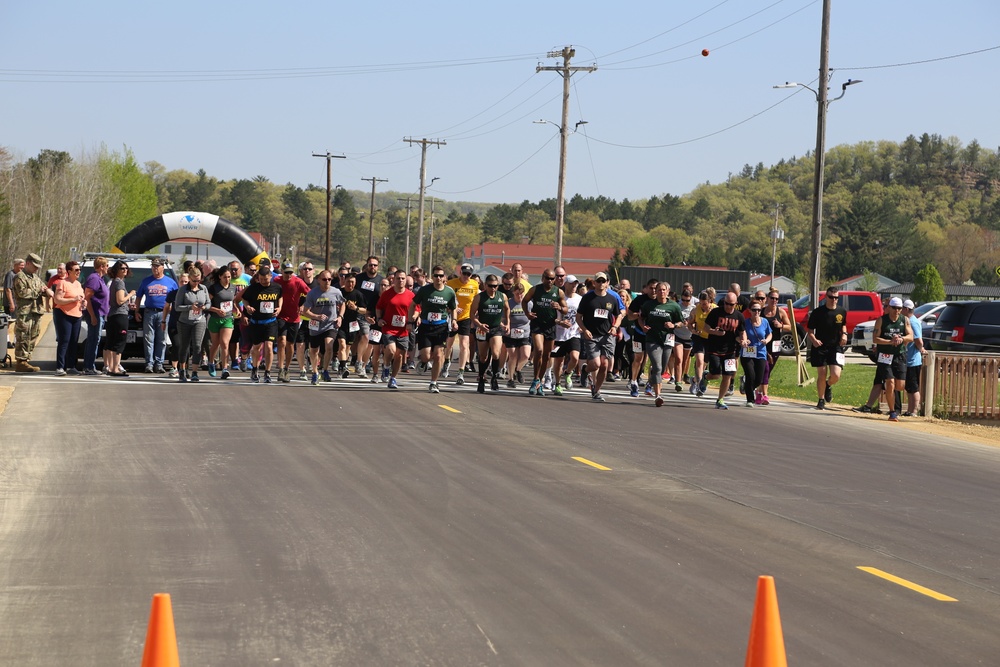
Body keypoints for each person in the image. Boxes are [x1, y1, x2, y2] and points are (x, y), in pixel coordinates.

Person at [854, 297, 913, 421]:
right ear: (889, 308)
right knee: (890, 383)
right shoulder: (881, 320)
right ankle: (892, 412)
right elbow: (875, 339)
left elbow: (911, 336)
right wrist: (890, 342)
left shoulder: (905, 320)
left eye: (899, 308)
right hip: (885, 355)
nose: (897, 311)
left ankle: (891, 400)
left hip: (900, 355)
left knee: (900, 386)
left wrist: (901, 339)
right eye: (894, 308)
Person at [408, 266, 458, 393]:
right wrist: (410, 321)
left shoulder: (449, 292)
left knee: (438, 354)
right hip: (426, 326)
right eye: (436, 276)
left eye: (441, 276)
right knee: (425, 355)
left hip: (441, 327)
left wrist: (454, 320)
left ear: (444, 278)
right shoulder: (425, 290)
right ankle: (423, 362)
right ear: (432, 277)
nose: (438, 278)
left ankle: (433, 382)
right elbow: (413, 304)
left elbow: (453, 308)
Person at [576, 271, 623, 402]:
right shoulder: (588, 298)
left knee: (604, 364)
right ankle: (586, 370)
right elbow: (578, 317)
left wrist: (615, 327)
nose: (601, 284)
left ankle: (596, 391)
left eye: (604, 281)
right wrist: (584, 329)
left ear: (607, 283)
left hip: (607, 336)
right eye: (599, 281)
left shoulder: (612, 298)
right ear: (595, 283)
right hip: (592, 334)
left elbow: (618, 315)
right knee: (596, 364)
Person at [637, 281, 683, 407]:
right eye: (659, 290)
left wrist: (673, 325)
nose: (661, 292)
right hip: (652, 339)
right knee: (657, 367)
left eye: (664, 290)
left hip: (667, 339)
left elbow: (681, 322)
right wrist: (643, 326)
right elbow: (640, 317)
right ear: (655, 292)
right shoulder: (649, 305)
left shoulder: (674, 306)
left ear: (668, 292)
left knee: (661, 369)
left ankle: (651, 381)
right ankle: (658, 396)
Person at [523, 269, 568, 396]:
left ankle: (538, 382)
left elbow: (565, 309)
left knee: (547, 356)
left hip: (550, 326)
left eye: (552, 279)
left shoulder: (558, 292)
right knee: (539, 350)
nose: (549, 281)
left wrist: (559, 307)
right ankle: (535, 379)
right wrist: (527, 313)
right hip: (537, 324)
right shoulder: (535, 290)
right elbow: (525, 300)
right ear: (543, 278)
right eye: (547, 278)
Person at [237, 264, 283, 383]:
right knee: (256, 347)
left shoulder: (277, 287)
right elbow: (244, 298)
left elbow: (280, 297)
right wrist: (247, 307)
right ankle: (255, 369)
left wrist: (279, 308)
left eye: (266, 279)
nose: (263, 281)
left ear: (270, 277)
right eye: (261, 279)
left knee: (269, 346)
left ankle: (267, 372)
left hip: (271, 322)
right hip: (256, 322)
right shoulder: (253, 288)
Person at [806, 287, 849, 410]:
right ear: (826, 297)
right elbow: (810, 330)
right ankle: (821, 399)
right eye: (831, 297)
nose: (834, 300)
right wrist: (814, 340)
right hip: (820, 347)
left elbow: (844, 325)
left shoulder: (841, 311)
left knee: (836, 375)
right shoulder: (818, 312)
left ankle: (828, 385)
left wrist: (845, 335)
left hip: (835, 347)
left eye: (836, 298)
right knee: (822, 373)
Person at [10, 253, 53, 372]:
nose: (36, 269)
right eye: (34, 266)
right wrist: (39, 291)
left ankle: (26, 360)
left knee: (33, 335)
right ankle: (20, 361)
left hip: (35, 311)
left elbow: (43, 288)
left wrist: (46, 291)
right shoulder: (20, 277)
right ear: (27, 263)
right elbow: (22, 293)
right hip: (25, 312)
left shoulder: (35, 278)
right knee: (23, 336)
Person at [301, 270, 345, 385]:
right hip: (316, 325)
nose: (327, 282)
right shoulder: (312, 293)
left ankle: (325, 370)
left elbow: (342, 303)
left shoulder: (336, 292)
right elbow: (305, 312)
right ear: (319, 280)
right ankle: (315, 373)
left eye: (329, 279)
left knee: (329, 346)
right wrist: (316, 316)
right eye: (324, 279)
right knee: (314, 350)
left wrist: (340, 316)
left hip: (331, 324)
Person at [134, 257, 177, 373]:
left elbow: (176, 298)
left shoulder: (171, 282)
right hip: (149, 312)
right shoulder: (146, 281)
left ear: (163, 267)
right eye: (153, 266)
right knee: (148, 339)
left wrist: (173, 310)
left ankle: (159, 364)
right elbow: (138, 297)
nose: (155, 268)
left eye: (157, 266)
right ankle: (149, 364)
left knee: (162, 339)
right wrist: (136, 311)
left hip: (164, 313)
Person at [704, 292, 745, 410]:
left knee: (728, 375)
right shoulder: (715, 313)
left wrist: (743, 340)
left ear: (736, 304)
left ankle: (720, 399)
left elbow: (742, 333)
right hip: (714, 348)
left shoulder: (739, 316)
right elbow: (705, 328)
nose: (728, 306)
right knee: (716, 374)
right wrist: (715, 332)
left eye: (731, 304)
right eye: (726, 303)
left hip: (730, 350)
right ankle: (706, 376)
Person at [469, 274, 510, 393]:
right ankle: (481, 378)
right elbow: (472, 314)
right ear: (486, 285)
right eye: (491, 286)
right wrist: (479, 324)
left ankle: (494, 377)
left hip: (496, 328)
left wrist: (507, 323)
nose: (493, 288)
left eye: (496, 286)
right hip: (482, 329)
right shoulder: (479, 297)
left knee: (496, 353)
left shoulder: (502, 296)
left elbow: (507, 309)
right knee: (483, 356)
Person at [375, 270, 414, 390]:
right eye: (398, 278)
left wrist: (412, 320)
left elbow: (417, 309)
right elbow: (379, 307)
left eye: (403, 278)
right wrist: (379, 319)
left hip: (403, 330)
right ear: (394, 279)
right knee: (391, 351)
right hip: (389, 328)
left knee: (399, 357)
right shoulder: (387, 293)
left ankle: (393, 378)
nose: (401, 280)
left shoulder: (410, 295)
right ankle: (386, 367)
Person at [172, 267, 211, 382]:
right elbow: (177, 307)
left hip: (199, 321)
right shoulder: (183, 290)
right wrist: (190, 307)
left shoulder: (203, 289)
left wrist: (205, 307)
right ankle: (182, 370)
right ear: (189, 279)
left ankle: (194, 372)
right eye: (194, 281)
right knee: (184, 346)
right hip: (185, 321)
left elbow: (209, 303)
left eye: (198, 280)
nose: (196, 283)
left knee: (198, 346)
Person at [444, 263, 480, 384]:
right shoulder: (451, 284)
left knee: (464, 345)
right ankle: (446, 361)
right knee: (448, 344)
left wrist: (476, 314)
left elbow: (477, 300)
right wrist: (452, 308)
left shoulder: (474, 285)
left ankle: (461, 372)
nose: (466, 277)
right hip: (452, 316)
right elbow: (445, 300)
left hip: (466, 317)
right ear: (460, 273)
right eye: (464, 274)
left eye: (468, 274)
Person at [757, 289, 791, 405]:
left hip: (775, 344)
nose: (774, 301)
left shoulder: (781, 312)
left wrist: (780, 325)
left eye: (776, 299)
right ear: (767, 298)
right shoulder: (761, 312)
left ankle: (758, 391)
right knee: (765, 368)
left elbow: (790, 327)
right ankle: (765, 396)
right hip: (763, 344)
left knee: (768, 370)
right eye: (772, 298)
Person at [549, 274, 581, 396]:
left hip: (574, 333)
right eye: (572, 283)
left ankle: (568, 373)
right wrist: (560, 322)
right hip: (559, 335)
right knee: (558, 361)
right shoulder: (559, 297)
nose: (574, 286)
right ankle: (557, 383)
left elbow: (583, 315)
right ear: (565, 284)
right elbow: (552, 317)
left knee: (575, 357)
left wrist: (583, 327)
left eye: (576, 284)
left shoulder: (579, 299)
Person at [52, 260, 85, 375]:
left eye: (79, 270)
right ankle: (60, 367)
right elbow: (57, 300)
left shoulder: (78, 284)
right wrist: (73, 299)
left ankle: (71, 366)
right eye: (76, 270)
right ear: (69, 271)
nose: (78, 272)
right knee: (64, 341)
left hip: (77, 315)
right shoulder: (62, 283)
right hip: (63, 314)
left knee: (74, 342)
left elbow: (80, 298)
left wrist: (83, 303)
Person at [207, 266, 239, 379]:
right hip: (215, 319)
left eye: (229, 277)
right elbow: (206, 305)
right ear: (220, 277)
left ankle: (225, 367)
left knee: (225, 343)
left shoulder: (233, 287)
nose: (227, 279)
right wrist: (216, 310)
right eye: (225, 277)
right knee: (215, 344)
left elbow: (233, 301)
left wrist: (237, 309)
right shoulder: (214, 288)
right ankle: (211, 363)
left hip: (228, 318)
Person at [104, 260, 134, 377]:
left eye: (126, 268)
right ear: (116, 270)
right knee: (119, 342)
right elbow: (120, 300)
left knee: (111, 342)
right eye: (122, 268)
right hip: (120, 315)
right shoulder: (119, 283)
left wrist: (128, 304)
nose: (125, 270)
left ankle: (111, 368)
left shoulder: (113, 282)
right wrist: (131, 294)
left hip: (112, 315)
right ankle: (115, 368)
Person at [740, 302, 772, 408]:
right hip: (747, 353)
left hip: (761, 353)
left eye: (758, 310)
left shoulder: (765, 322)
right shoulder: (746, 322)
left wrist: (766, 340)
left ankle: (746, 386)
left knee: (758, 379)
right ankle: (750, 399)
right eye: (754, 310)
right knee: (750, 375)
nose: (756, 312)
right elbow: (743, 333)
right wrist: (744, 341)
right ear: (750, 311)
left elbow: (769, 333)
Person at [82, 256, 110, 375]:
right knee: (93, 339)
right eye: (107, 265)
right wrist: (92, 316)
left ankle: (90, 366)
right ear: (101, 267)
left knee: (95, 339)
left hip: (101, 313)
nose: (108, 268)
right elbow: (87, 296)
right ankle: (88, 367)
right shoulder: (93, 278)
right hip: (95, 313)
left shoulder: (101, 278)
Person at [688, 290, 717, 397]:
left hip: (711, 339)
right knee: (699, 361)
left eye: (705, 304)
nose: (703, 306)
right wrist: (693, 330)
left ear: (710, 301)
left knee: (705, 363)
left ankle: (695, 379)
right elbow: (689, 324)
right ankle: (699, 384)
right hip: (699, 337)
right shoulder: (695, 310)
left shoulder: (715, 309)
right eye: (701, 303)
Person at [503, 281, 532, 388]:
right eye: (517, 294)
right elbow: (502, 319)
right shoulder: (509, 304)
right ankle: (510, 379)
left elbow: (532, 316)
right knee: (513, 356)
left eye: (521, 294)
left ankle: (518, 369)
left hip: (525, 333)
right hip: (511, 333)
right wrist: (504, 326)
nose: (520, 296)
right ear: (513, 293)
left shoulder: (528, 303)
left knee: (526, 355)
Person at [293, 261, 317, 379]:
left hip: (314, 319)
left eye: (309, 269)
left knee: (314, 347)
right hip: (301, 319)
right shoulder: (298, 283)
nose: (307, 271)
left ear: (314, 270)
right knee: (300, 345)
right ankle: (302, 370)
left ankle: (314, 368)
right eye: (305, 269)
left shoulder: (318, 284)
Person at [902, 299, 924, 417]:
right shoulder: (908, 320)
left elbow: (918, 340)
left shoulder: (913, 322)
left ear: (906, 309)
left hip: (913, 360)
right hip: (908, 359)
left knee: (913, 387)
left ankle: (914, 411)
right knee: (909, 387)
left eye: (902, 309)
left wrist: (921, 349)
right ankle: (909, 410)